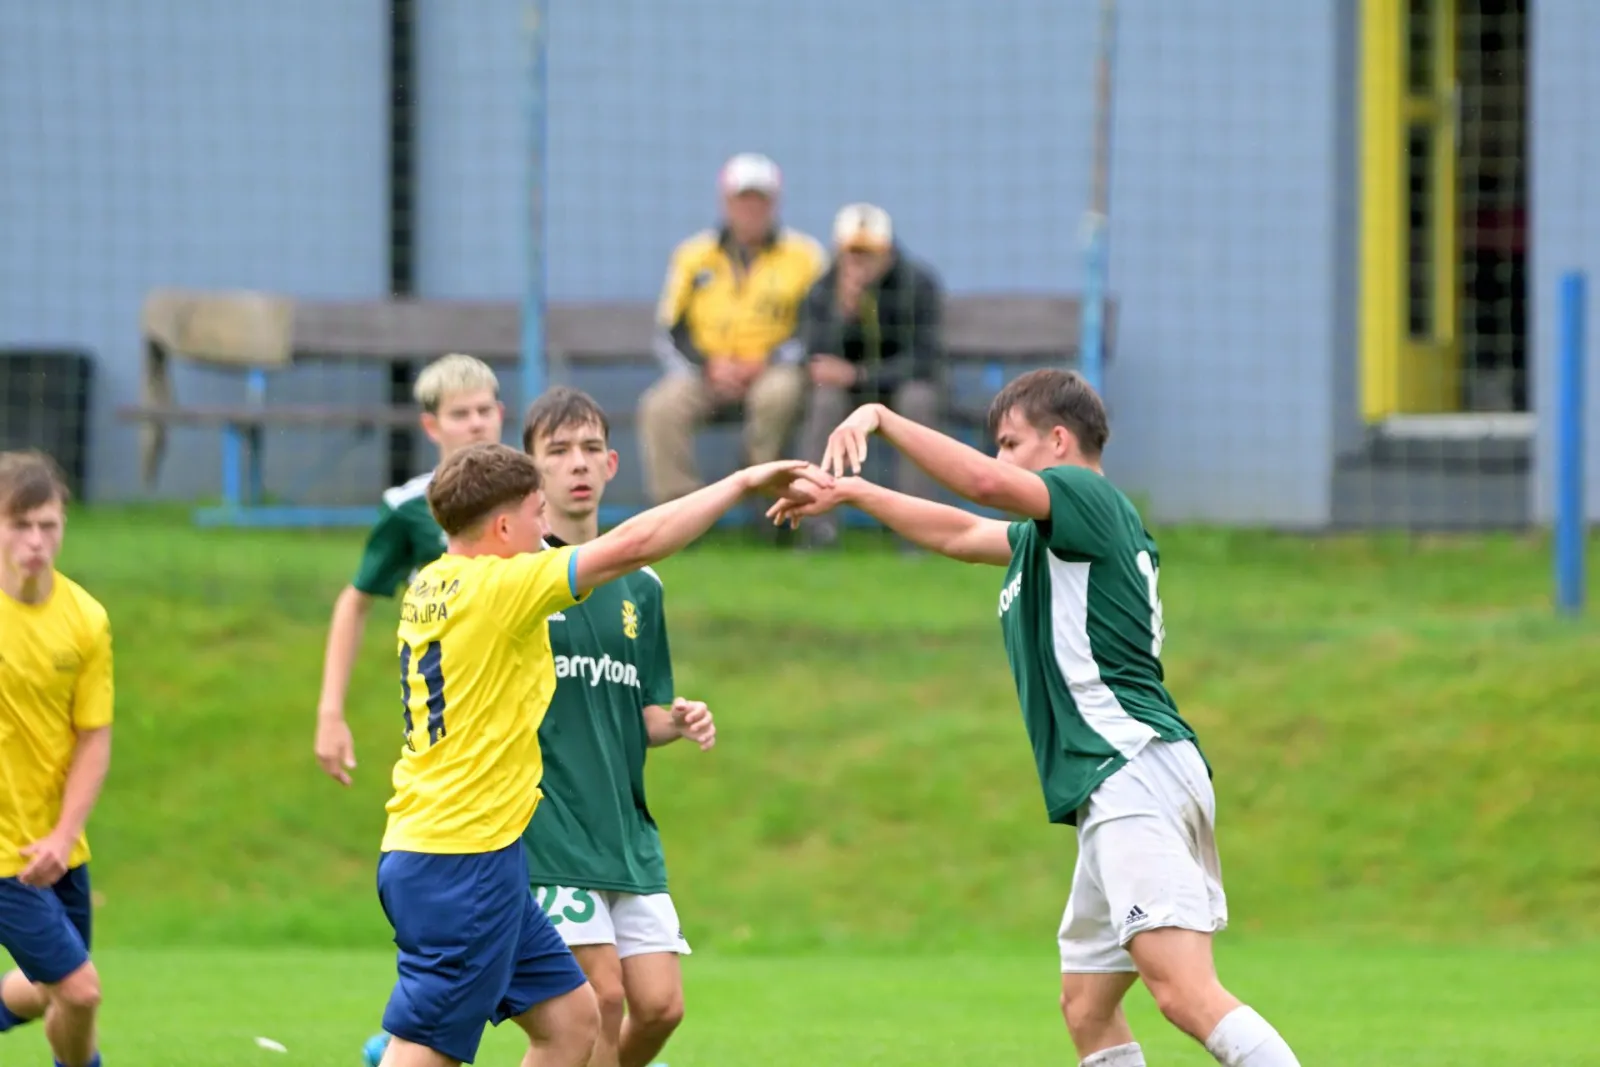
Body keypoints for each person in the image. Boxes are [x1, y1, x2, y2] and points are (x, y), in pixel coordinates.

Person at [767, 370, 1302, 1067]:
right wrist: (853, 493)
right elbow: (962, 531)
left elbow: (981, 488)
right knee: (1087, 1006)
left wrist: (881, 417)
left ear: (1058, 441)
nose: (999, 459)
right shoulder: (1049, 536)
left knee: (1185, 993)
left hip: (1130, 769)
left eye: (1009, 443)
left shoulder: (1085, 494)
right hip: (1114, 780)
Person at [371, 442, 825, 1067]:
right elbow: (636, 545)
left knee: (571, 1019)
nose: (545, 533)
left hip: (468, 850)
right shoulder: (501, 587)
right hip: (458, 856)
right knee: (429, 1046)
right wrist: (742, 482)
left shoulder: (433, 582)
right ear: (502, 528)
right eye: (536, 515)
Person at [522, 387, 711, 1067]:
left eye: (591, 448)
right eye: (558, 450)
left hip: (626, 831)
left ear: (612, 464)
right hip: (552, 827)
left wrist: (678, 718)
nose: (577, 462)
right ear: (531, 470)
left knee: (659, 1007)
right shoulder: (519, 577)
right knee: (600, 998)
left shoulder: (642, 585)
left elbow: (645, 712)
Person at [315, 352, 504, 786]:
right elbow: (355, 601)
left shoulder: (535, 495)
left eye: (484, 410)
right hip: (451, 708)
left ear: (500, 413)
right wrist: (330, 712)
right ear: (431, 426)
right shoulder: (410, 508)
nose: (476, 424)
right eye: (460, 414)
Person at [0, 451, 114, 1067]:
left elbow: (93, 736)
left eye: (47, 525)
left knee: (52, 991)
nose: (36, 541)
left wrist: (64, 834)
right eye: (19, 525)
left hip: (53, 846)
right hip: (3, 852)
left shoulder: (85, 620)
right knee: (80, 990)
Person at [636, 152, 825, 507]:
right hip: (706, 372)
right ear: (725, 201)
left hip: (774, 370)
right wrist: (709, 366)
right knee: (660, 406)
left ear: (774, 203)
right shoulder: (694, 255)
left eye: (760, 200)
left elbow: (814, 328)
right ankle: (679, 509)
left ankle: (766, 495)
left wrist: (766, 362)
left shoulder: (805, 256)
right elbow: (671, 330)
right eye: (743, 199)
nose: (751, 209)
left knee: (778, 395)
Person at [796, 202, 945, 549]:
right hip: (849, 392)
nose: (860, 262)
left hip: (898, 385)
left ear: (888, 251)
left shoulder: (917, 284)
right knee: (824, 402)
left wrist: (859, 374)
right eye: (853, 253)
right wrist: (843, 314)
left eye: (869, 252)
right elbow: (815, 357)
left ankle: (917, 529)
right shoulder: (823, 290)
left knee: (918, 401)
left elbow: (925, 359)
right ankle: (818, 527)